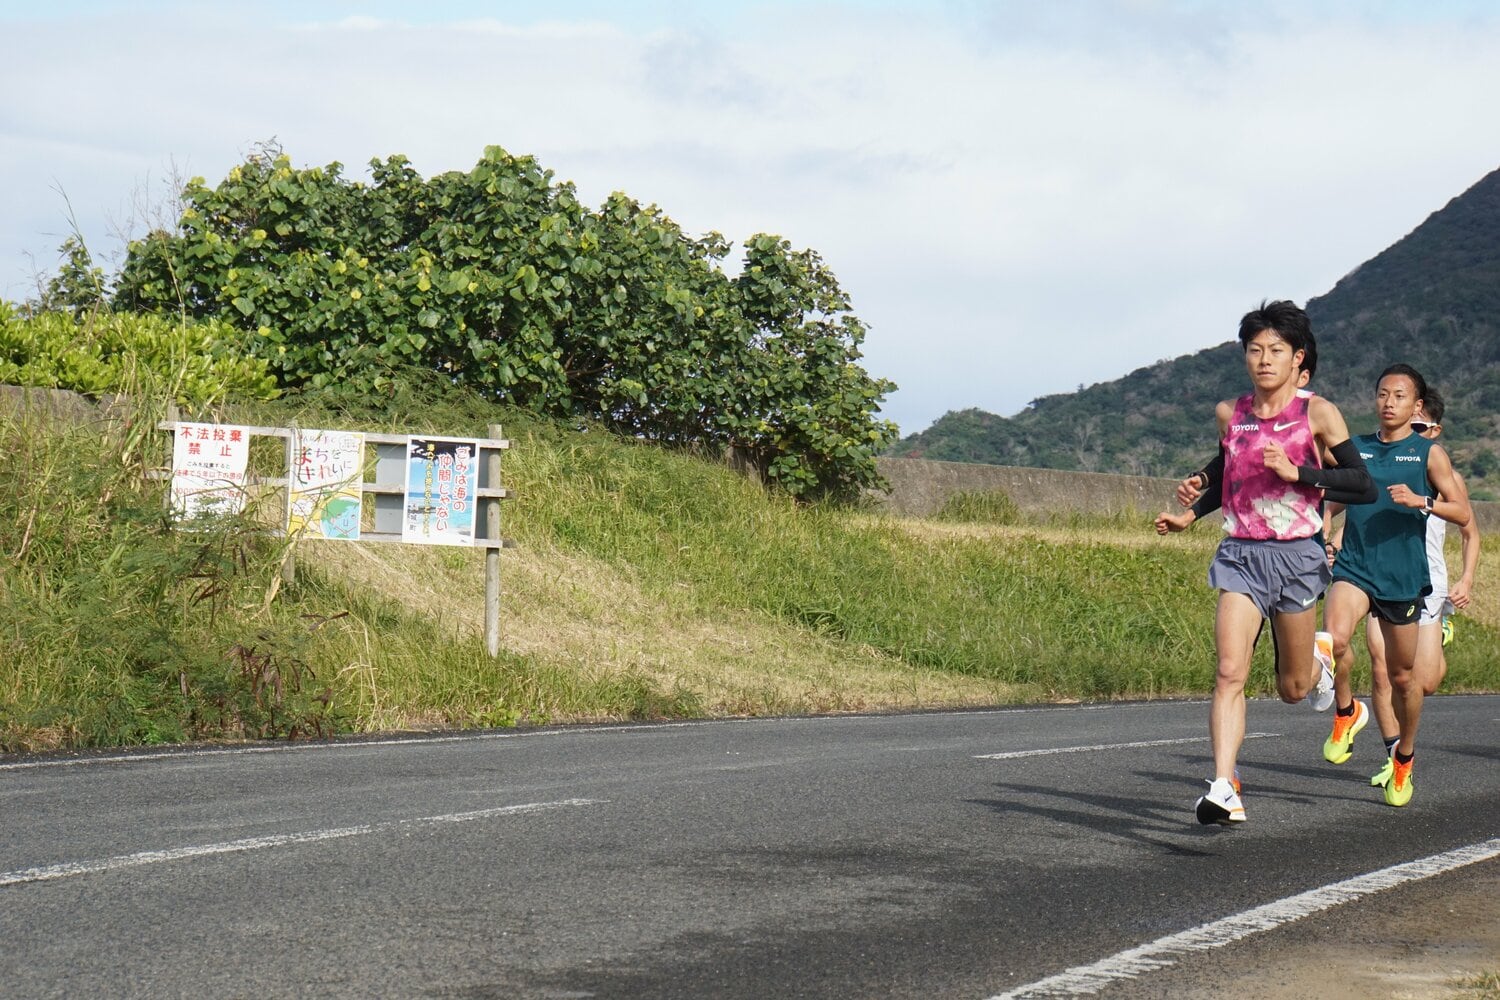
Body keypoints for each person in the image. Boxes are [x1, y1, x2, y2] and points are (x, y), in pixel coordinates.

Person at [1156, 300, 1375, 825]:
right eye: (1255, 350)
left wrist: (1301, 473)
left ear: (1297, 357)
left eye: (1275, 350)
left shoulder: (1317, 414)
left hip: (1297, 557)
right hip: (1240, 554)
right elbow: (1232, 468)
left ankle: (1319, 664)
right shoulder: (1230, 414)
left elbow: (1361, 484)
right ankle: (1224, 784)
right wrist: (1198, 505)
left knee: (1293, 689)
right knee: (1230, 670)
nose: (1264, 360)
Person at [1318, 365, 1470, 806]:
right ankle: (1346, 712)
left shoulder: (1428, 454)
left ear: (1416, 406)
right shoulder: (1356, 449)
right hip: (1355, 567)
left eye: (1399, 396)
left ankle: (1404, 756)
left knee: (1406, 679)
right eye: (1383, 394)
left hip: (1402, 578)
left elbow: (1462, 513)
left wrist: (1422, 501)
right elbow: (1325, 484)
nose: (1389, 402)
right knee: (1335, 639)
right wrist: (1324, 532)